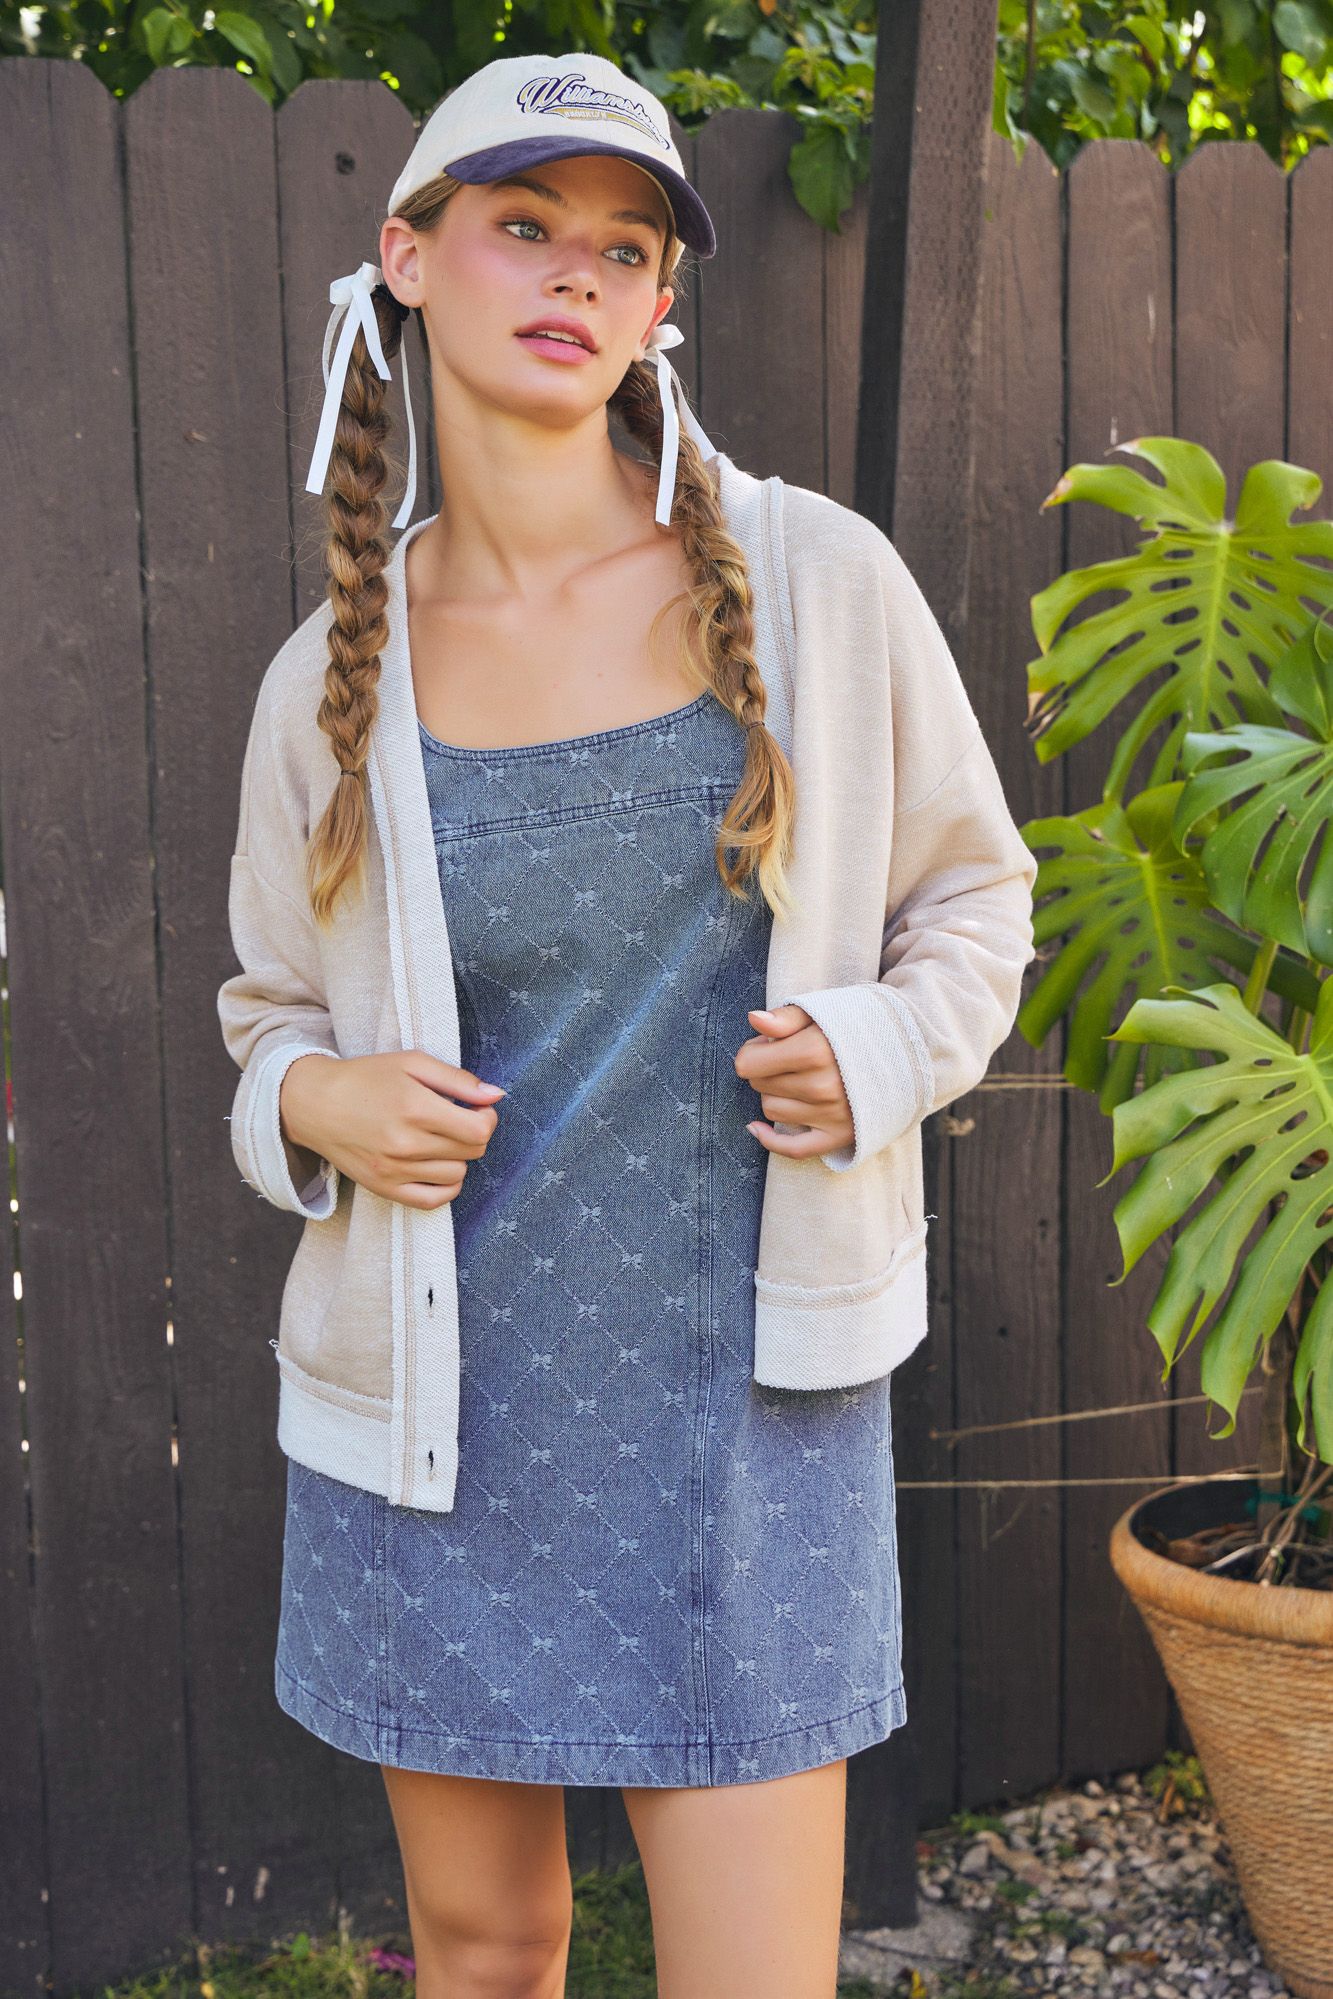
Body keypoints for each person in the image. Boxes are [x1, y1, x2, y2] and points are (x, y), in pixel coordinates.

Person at [217, 47, 1037, 1999]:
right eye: (524, 225)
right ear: (406, 256)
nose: (575, 274)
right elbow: (264, 1015)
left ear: (661, 301)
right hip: (432, 1428)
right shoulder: (327, 685)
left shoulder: (817, 585)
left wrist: (878, 1051)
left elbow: (974, 903)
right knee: (484, 1952)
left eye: (624, 246)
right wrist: (320, 1099)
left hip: (742, 1426)